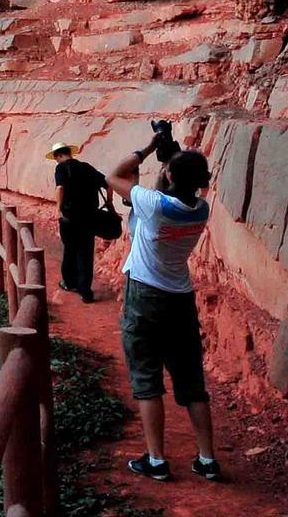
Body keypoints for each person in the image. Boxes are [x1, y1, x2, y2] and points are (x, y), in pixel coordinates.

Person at [109, 132, 222, 483]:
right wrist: (170, 164)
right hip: (180, 298)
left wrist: (148, 147)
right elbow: (169, 190)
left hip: (144, 296)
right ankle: (207, 459)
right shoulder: (199, 209)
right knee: (191, 382)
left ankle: (156, 460)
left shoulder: (154, 205)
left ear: (170, 176)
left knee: (147, 378)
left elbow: (114, 176)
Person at [49, 142, 108, 301]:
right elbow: (108, 183)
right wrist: (110, 205)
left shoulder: (61, 168)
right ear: (70, 153)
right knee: (86, 252)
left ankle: (69, 282)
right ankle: (86, 291)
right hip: (89, 217)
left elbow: (60, 188)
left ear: (58, 156)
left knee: (70, 249)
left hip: (70, 218)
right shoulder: (87, 167)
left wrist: (57, 209)